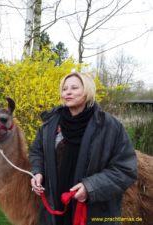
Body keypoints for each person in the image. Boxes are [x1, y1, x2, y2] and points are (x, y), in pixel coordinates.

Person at [29, 72, 137, 225]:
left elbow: (125, 169)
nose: (68, 92)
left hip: (93, 213)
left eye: (74, 88)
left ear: (87, 91)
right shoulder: (50, 124)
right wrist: (37, 171)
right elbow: (37, 151)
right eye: (64, 88)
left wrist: (91, 187)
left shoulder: (109, 126)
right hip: (54, 212)